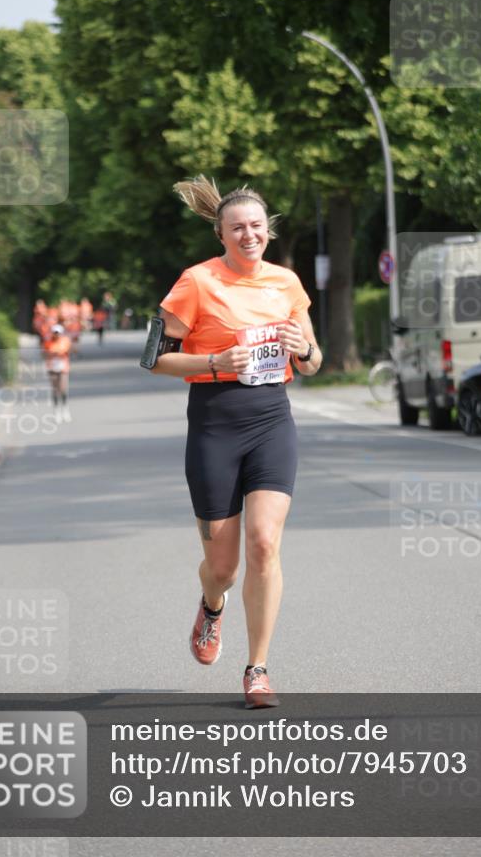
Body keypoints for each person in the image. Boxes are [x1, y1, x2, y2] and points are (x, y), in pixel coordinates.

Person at [148, 175, 322, 708]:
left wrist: (303, 348)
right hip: (214, 426)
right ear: (220, 234)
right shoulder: (196, 282)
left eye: (256, 226)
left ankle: (258, 669)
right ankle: (211, 604)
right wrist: (213, 363)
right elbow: (153, 357)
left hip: (272, 420)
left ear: (267, 230)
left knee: (265, 543)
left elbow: (314, 363)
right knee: (222, 566)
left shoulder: (288, 284)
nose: (249, 235)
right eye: (237, 228)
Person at [41, 323, 72, 423]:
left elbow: (66, 351)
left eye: (58, 333)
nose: (56, 335)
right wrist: (51, 354)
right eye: (55, 333)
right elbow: (44, 354)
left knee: (63, 389)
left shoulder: (65, 341)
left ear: (61, 333)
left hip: (63, 368)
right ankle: (56, 410)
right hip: (52, 368)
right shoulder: (48, 343)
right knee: (55, 390)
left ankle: (65, 409)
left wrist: (57, 353)